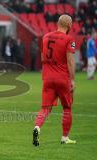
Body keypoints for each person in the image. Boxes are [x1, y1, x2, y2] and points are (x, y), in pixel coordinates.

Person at [33, 14, 76, 146]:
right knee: (67, 108)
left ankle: (37, 127)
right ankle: (64, 138)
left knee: (45, 108)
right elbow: (70, 61)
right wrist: (72, 80)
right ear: (69, 25)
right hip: (62, 78)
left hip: (47, 78)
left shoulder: (45, 37)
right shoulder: (69, 39)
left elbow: (42, 58)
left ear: (58, 24)